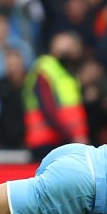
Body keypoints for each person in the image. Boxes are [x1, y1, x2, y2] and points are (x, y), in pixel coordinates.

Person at [24, 32, 89, 161]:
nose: (75, 50)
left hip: (63, 141)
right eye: (70, 46)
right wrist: (71, 137)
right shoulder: (45, 69)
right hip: (48, 142)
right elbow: (48, 109)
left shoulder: (67, 72)